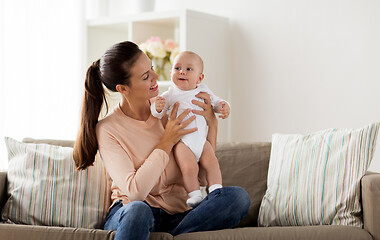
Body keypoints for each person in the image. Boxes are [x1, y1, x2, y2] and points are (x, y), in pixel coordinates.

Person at [72, 41, 250, 240]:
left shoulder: (172, 107)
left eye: (152, 68)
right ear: (123, 88)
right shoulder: (108, 129)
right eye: (146, 76)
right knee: (138, 210)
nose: (157, 77)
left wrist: (213, 125)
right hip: (132, 213)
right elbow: (135, 192)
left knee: (237, 198)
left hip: (181, 215)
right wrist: (166, 142)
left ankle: (172, 236)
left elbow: (200, 179)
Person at [151, 51, 230, 207]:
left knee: (212, 162)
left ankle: (216, 190)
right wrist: (158, 107)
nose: (182, 72)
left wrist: (224, 107)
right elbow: (157, 114)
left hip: (201, 140)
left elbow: (217, 103)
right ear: (170, 73)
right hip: (183, 142)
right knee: (188, 167)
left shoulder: (204, 91)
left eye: (189, 69)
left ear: (200, 78)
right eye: (177, 68)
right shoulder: (170, 94)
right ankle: (195, 195)